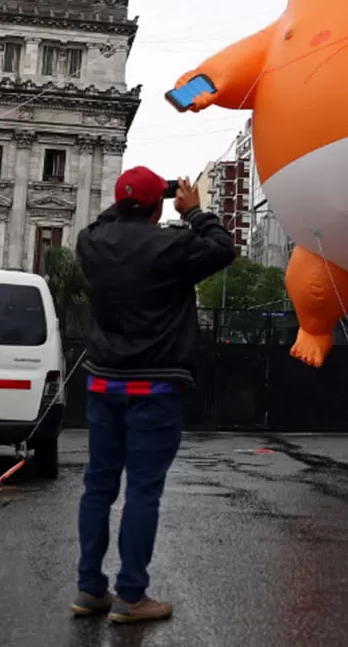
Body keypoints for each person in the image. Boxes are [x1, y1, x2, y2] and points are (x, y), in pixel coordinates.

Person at [70, 167, 235, 624]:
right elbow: (224, 247)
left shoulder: (91, 243)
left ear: (120, 205)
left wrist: (135, 200)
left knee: (98, 486)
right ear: (155, 207)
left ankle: (89, 589)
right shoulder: (172, 244)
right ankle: (131, 595)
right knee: (142, 490)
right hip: (155, 386)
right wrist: (194, 210)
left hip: (103, 383)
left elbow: (104, 223)